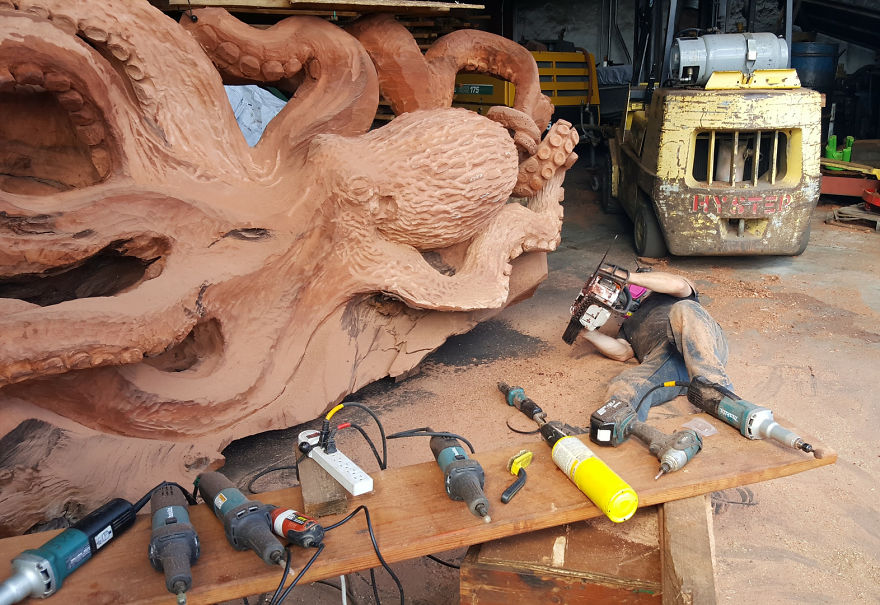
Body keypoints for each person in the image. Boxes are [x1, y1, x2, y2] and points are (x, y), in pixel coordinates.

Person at [578, 268, 734, 421]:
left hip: (703, 344)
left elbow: (678, 285)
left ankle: (719, 395)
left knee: (684, 309)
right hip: (667, 362)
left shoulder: (674, 294)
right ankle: (616, 424)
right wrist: (587, 332)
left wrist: (625, 276)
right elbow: (623, 352)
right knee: (625, 385)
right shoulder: (629, 324)